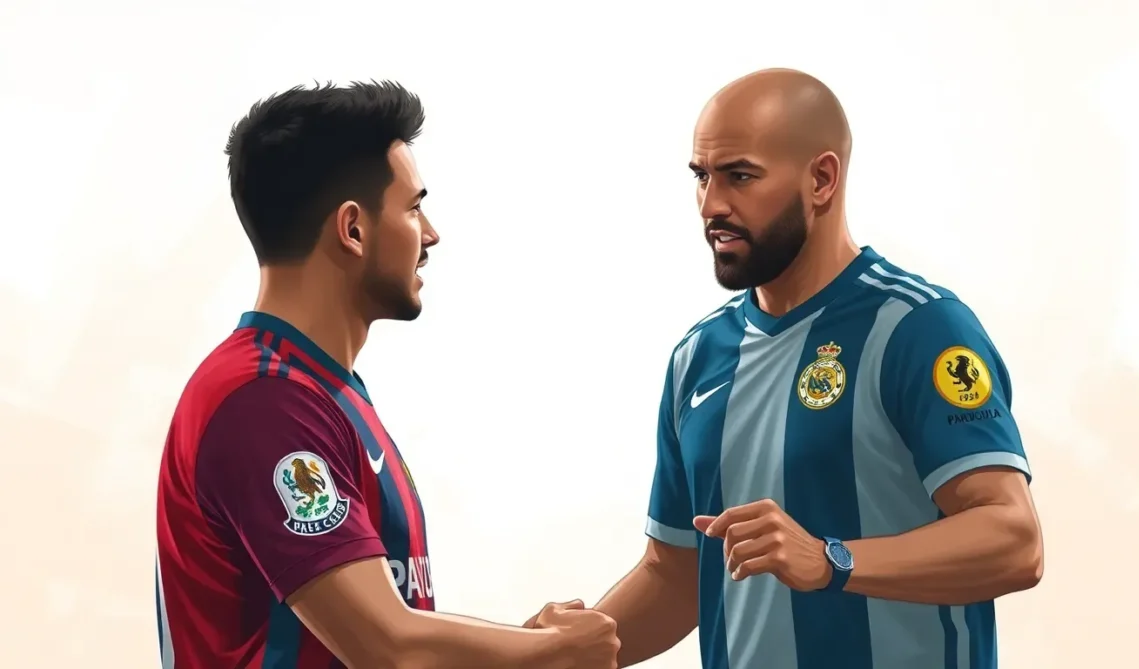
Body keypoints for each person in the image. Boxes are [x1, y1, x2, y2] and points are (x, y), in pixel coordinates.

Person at [542, 69, 1045, 669]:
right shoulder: (697, 357)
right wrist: (556, 653)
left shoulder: (917, 327)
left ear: (822, 179)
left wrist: (832, 561)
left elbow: (1013, 540)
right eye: (701, 177)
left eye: (740, 176)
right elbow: (676, 574)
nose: (712, 205)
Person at [154, 81, 620, 669]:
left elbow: (387, 631)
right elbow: (386, 648)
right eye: (414, 207)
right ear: (353, 229)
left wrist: (523, 647)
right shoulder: (265, 401)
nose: (431, 234)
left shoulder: (318, 390)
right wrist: (554, 652)